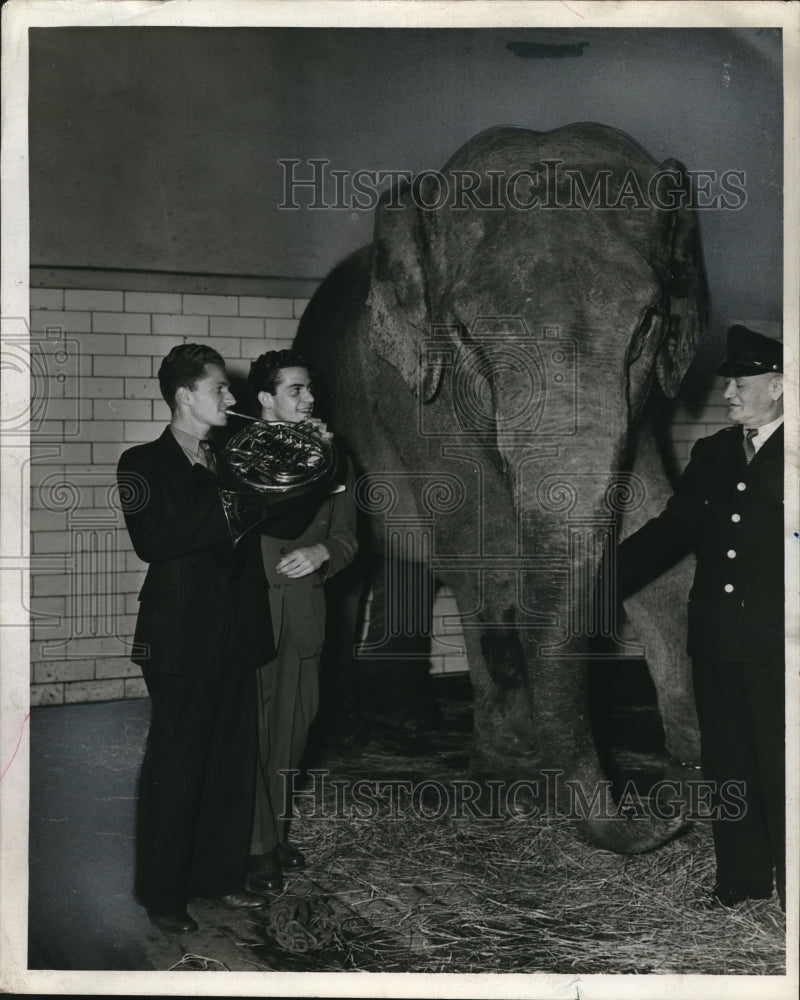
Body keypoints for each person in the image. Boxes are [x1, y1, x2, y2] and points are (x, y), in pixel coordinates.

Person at [617, 325, 785, 908]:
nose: (730, 393)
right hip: (714, 637)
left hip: (779, 642)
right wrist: (596, 581)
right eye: (729, 383)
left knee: (781, 760)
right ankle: (741, 881)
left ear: (780, 386)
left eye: (741, 382)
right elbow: (672, 532)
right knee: (728, 761)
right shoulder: (712, 452)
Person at [116, 343, 274, 933]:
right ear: (186, 397)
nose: (230, 398)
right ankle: (164, 894)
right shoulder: (141, 462)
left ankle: (218, 879)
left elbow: (274, 523)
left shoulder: (232, 456)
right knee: (177, 767)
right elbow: (154, 540)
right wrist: (235, 500)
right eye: (219, 390)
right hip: (179, 634)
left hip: (237, 630)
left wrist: (309, 463)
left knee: (230, 764)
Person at [245, 350, 358, 894]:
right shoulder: (237, 452)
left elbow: (349, 536)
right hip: (251, 612)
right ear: (266, 399)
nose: (308, 399)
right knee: (256, 732)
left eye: (309, 389)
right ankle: (257, 846)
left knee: (294, 730)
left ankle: (275, 831)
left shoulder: (336, 455)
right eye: (295, 390)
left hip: (305, 611)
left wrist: (322, 555)